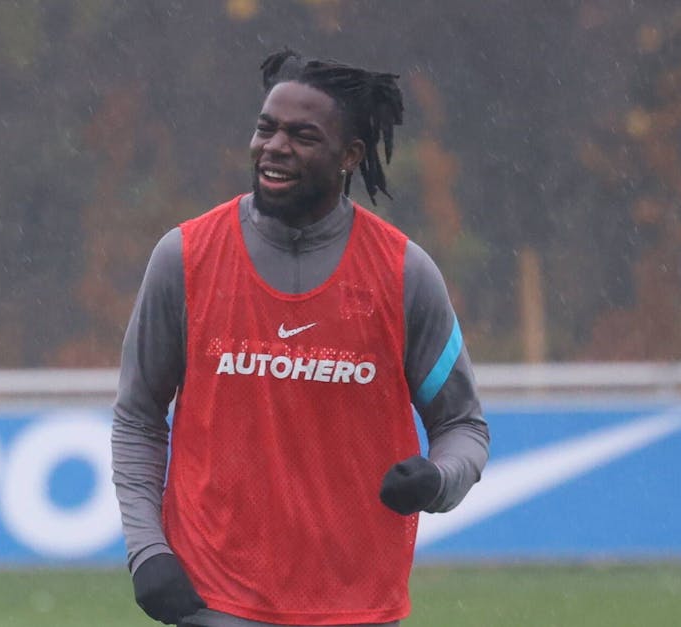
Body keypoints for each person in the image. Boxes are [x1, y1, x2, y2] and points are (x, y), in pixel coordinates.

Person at [110, 49, 491, 627]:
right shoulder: (184, 258)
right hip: (215, 600)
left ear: (350, 156)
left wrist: (438, 480)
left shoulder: (403, 274)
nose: (274, 146)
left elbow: (462, 425)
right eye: (266, 128)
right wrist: (148, 552)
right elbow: (138, 417)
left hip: (357, 605)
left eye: (303, 135)